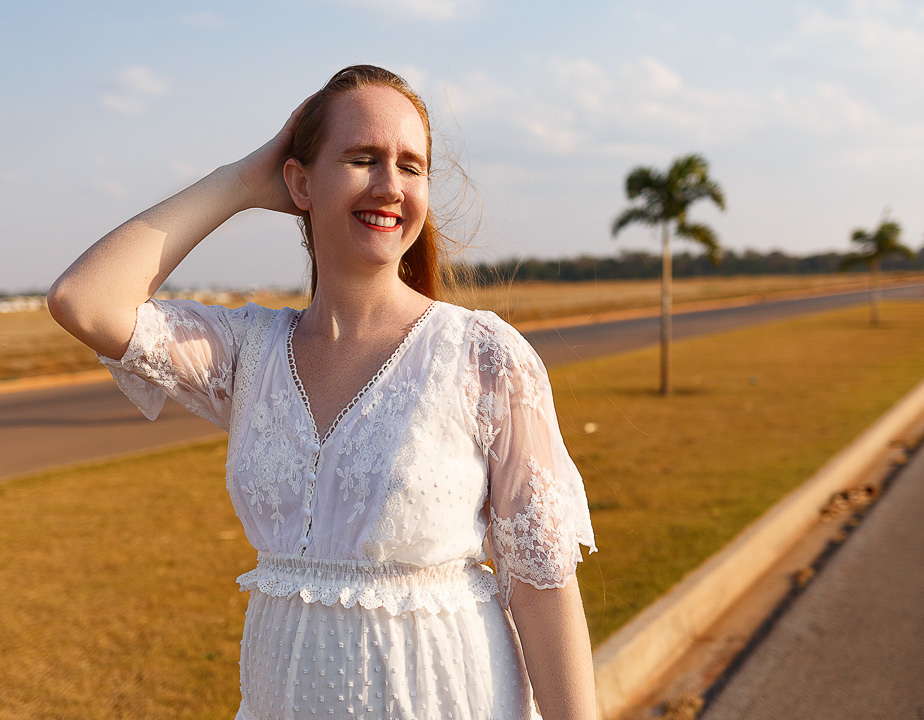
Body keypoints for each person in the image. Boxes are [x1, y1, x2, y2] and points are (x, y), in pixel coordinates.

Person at [49, 65, 597, 720]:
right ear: (301, 181)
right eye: (363, 158)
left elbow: (542, 590)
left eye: (411, 165)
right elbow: (85, 301)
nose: (391, 184)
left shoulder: (484, 355)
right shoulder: (249, 351)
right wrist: (245, 180)